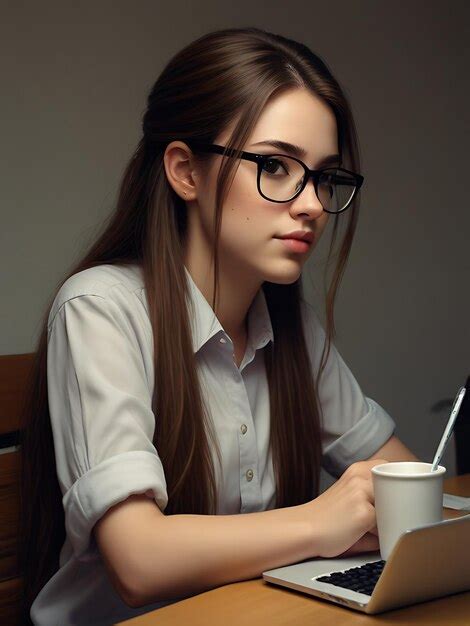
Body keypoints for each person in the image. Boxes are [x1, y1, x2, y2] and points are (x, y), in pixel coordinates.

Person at [18, 26, 419, 626]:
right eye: (277, 167)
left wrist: (395, 511)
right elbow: (139, 560)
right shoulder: (100, 308)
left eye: (324, 176)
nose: (311, 203)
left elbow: (407, 484)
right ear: (185, 171)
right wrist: (322, 522)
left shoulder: (290, 327)